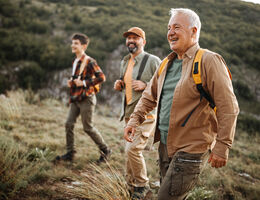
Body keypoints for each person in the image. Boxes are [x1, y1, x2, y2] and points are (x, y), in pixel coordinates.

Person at [124, 8, 239, 200]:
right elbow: (148, 97)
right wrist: (133, 121)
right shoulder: (165, 63)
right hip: (165, 146)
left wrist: (223, 145)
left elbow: (228, 106)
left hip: (191, 149)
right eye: (169, 28)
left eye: (177, 27)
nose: (170, 32)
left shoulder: (209, 60)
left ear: (194, 31)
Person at [114, 27, 161, 199]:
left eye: (136, 37)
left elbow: (164, 87)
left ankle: (142, 186)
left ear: (144, 41)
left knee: (132, 150)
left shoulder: (154, 61)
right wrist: (119, 85)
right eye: (129, 38)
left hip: (145, 115)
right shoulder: (125, 61)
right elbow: (126, 84)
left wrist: (145, 85)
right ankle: (130, 185)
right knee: (129, 150)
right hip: (128, 114)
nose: (131, 40)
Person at [56, 33, 111, 164]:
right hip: (76, 98)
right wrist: (72, 81)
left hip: (87, 98)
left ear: (84, 46)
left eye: (76, 43)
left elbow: (102, 77)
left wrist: (85, 83)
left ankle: (106, 150)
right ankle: (70, 153)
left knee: (88, 127)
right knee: (68, 124)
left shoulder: (90, 61)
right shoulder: (75, 61)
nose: (72, 45)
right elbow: (79, 77)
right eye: (72, 43)